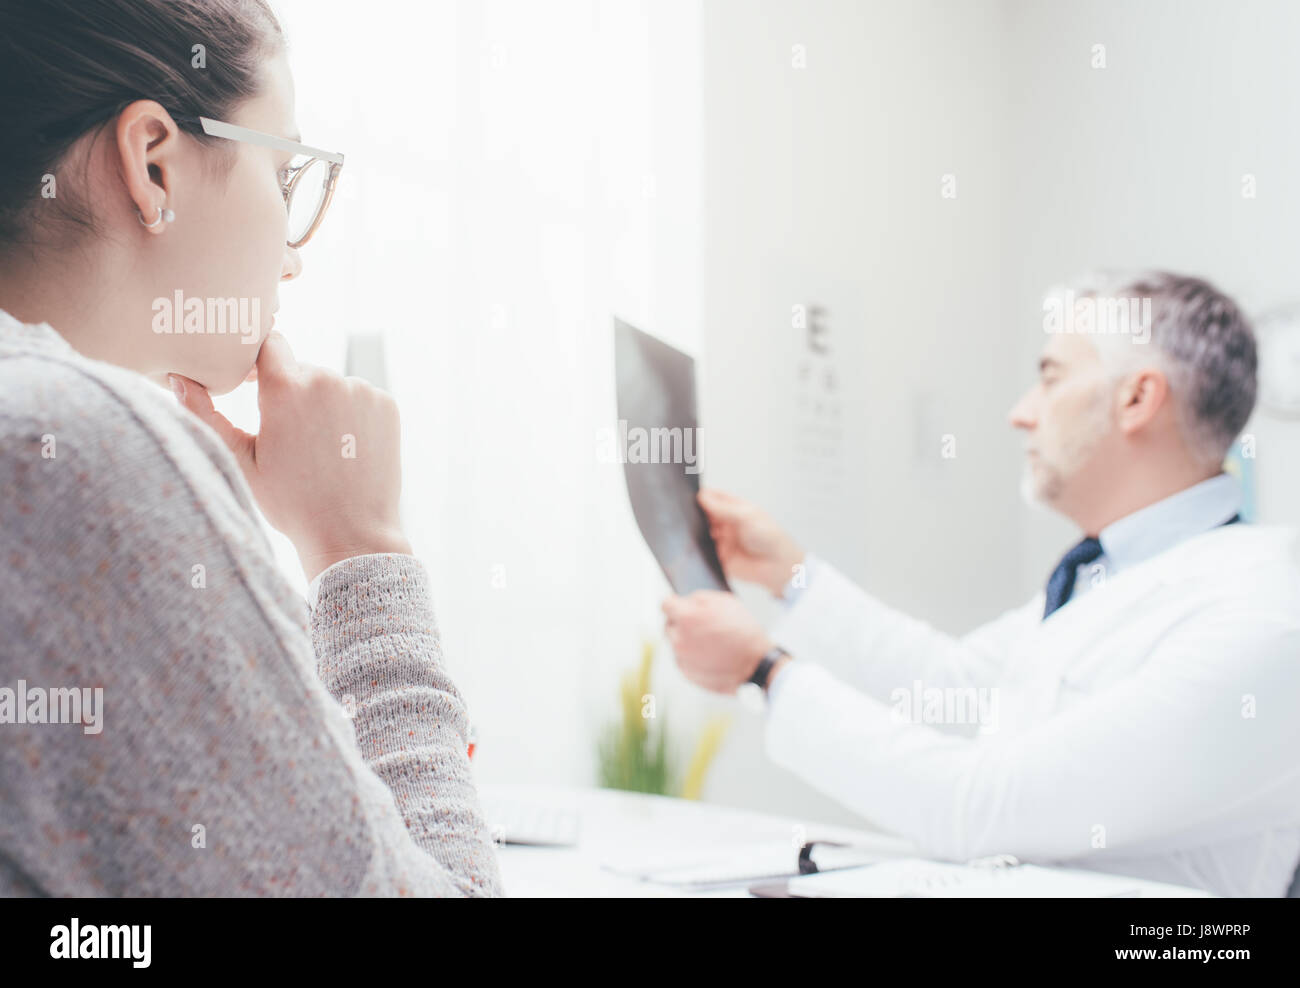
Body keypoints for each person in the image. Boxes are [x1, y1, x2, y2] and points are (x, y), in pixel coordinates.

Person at [0, 0, 501, 896]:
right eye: (284, 177)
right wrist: (361, 547)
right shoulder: (81, 449)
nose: (292, 260)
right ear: (153, 164)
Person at [663, 271, 1300, 897]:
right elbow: (954, 689)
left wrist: (765, 671)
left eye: (1050, 377)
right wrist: (792, 577)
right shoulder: (1109, 575)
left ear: (1137, 398)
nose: (1020, 413)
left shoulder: (1261, 611)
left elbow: (984, 809)